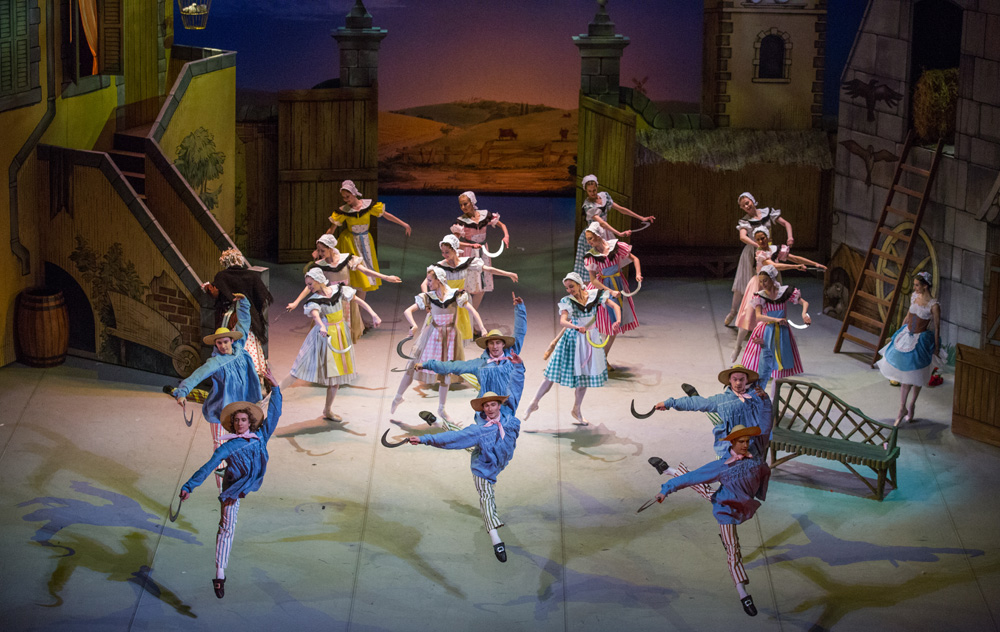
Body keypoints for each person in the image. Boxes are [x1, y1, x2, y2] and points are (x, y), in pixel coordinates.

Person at [405, 353, 525, 563]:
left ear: (499, 404)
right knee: (487, 498)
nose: (490, 408)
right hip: (483, 466)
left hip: (496, 457)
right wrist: (424, 439)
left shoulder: (509, 416)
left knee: (469, 443)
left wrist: (519, 367)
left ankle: (437, 422)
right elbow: (454, 439)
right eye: (486, 406)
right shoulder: (480, 430)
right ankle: (496, 540)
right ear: (483, 409)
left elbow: (516, 386)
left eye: (493, 404)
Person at [179, 366, 282, 599]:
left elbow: (275, 413)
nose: (240, 423)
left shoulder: (260, 436)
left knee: (229, 523)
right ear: (233, 424)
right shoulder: (228, 447)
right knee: (226, 527)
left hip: (252, 479)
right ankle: (219, 574)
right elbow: (207, 466)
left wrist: (275, 387)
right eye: (236, 421)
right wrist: (189, 486)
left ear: (250, 421)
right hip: (234, 486)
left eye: (243, 420)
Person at [649, 424, 772, 617]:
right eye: (741, 441)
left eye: (747, 441)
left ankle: (669, 470)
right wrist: (666, 490)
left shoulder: (754, 460)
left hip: (742, 505)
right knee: (733, 549)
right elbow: (693, 477)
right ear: (732, 442)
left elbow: (765, 470)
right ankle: (743, 593)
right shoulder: (721, 467)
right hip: (725, 510)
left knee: (706, 492)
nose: (745, 445)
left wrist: (760, 492)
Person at [523, 272, 620, 426]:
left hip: (590, 339)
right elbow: (562, 321)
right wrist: (575, 327)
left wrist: (617, 321)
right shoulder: (567, 301)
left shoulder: (594, 295)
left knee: (584, 378)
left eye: (571, 286)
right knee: (551, 373)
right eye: (567, 288)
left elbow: (615, 305)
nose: (569, 290)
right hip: (572, 339)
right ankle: (534, 402)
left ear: (579, 284)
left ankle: (577, 409)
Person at [173, 294, 262, 460]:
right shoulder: (215, 363)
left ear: (231, 340)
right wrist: (183, 392)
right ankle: (220, 475)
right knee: (219, 444)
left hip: (242, 404)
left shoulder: (239, 349)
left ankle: (237, 471)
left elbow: (244, 323)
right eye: (219, 343)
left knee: (241, 442)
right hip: (222, 408)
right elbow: (197, 375)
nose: (223, 346)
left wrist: (243, 303)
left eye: (225, 342)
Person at [392, 265, 486, 422]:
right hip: (432, 335)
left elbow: (472, 311)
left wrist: (482, 328)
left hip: (450, 337)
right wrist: (414, 325)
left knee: (445, 372)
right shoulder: (429, 297)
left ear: (439, 280)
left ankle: (441, 408)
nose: (427, 284)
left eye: (430, 280)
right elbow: (408, 311)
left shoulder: (455, 295)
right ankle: (398, 397)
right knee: (413, 365)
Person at [289, 268, 382, 421]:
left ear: (319, 280)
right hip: (324, 335)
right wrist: (322, 326)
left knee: (336, 376)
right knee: (299, 367)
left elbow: (357, 300)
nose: (309, 287)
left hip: (340, 334)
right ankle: (276, 392)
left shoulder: (338, 290)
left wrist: (374, 314)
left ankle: (327, 410)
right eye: (307, 285)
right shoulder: (315, 300)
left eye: (310, 284)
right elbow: (315, 315)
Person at [731, 226, 825, 363]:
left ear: (768, 238)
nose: (761, 241)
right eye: (758, 240)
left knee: (772, 319)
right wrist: (795, 267)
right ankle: (738, 346)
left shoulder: (776, 249)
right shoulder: (760, 253)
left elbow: (795, 258)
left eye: (763, 238)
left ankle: (770, 355)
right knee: (748, 314)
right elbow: (773, 266)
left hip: (772, 285)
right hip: (759, 284)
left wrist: (815, 264)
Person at [287, 234, 401, 342]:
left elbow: (365, 271)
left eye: (323, 250)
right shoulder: (320, 265)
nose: (320, 253)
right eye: (319, 250)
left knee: (345, 332)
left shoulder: (345, 259)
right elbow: (310, 286)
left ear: (331, 248)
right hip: (330, 301)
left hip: (346, 299)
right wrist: (296, 302)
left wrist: (386, 277)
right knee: (329, 332)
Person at [417, 293, 526, 405]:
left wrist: (520, 308)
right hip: (487, 405)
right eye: (491, 343)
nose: (495, 346)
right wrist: (427, 364)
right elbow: (452, 365)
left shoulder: (511, 355)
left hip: (508, 403)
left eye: (498, 343)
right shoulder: (479, 364)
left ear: (503, 344)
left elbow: (520, 332)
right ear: (487, 345)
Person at [327, 179, 410, 317]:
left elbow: (387, 215)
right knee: (354, 277)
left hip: (365, 243)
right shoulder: (344, 211)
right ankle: (351, 316)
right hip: (350, 243)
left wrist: (404, 224)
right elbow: (332, 229)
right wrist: (321, 245)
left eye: (348, 196)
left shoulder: (368, 206)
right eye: (344, 197)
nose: (346, 199)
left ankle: (358, 317)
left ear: (354, 193)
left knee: (365, 279)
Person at [653, 365, 773, 460]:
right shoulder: (721, 400)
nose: (738, 383)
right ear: (729, 381)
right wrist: (669, 403)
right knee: (712, 414)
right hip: (729, 445)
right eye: (735, 379)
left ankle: (695, 395)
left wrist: (764, 347)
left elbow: (766, 368)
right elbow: (697, 403)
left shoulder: (755, 393)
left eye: (741, 379)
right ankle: (694, 395)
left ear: (747, 380)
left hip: (753, 442)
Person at [876, 271, 942, 425]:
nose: (914, 288)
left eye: (917, 285)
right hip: (907, 336)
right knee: (905, 376)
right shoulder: (914, 296)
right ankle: (902, 408)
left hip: (921, 340)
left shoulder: (933, 305)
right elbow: (907, 316)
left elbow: (937, 327)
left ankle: (912, 404)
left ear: (925, 286)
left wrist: (936, 347)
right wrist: (899, 332)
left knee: (917, 375)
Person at [425, 235, 519, 339]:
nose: (444, 255)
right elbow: (424, 283)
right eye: (442, 252)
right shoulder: (440, 267)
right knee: (443, 335)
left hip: (460, 300)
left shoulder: (466, 262)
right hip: (446, 302)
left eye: (447, 252)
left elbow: (489, 269)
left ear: (455, 250)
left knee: (458, 335)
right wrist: (427, 301)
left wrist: (508, 274)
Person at [724, 192, 795, 328]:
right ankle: (733, 311)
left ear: (752, 201)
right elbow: (743, 236)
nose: (746, 206)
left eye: (747, 203)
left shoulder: (767, 212)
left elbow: (786, 223)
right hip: (752, 253)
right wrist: (757, 245)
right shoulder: (745, 221)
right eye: (743, 206)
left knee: (770, 284)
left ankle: (770, 317)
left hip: (768, 252)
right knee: (744, 283)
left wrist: (790, 237)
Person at [202, 247, 273, 377]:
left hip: (231, 318)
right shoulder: (251, 276)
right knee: (249, 342)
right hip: (248, 316)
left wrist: (207, 288)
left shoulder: (222, 276)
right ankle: (254, 373)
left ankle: (234, 374)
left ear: (225, 262)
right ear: (240, 260)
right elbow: (262, 297)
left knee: (231, 343)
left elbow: (216, 294)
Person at [740, 265, 810, 387]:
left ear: (772, 279)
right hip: (766, 330)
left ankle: (774, 391)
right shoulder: (760, 296)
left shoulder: (784, 292)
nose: (763, 284)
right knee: (761, 362)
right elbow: (759, 316)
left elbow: (804, 302)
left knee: (779, 365)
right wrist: (776, 319)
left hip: (782, 331)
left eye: (765, 280)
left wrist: (804, 314)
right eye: (761, 281)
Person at [573, 174, 654, 277]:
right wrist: (619, 233)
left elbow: (621, 209)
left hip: (605, 232)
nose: (592, 193)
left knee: (610, 262)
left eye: (594, 190)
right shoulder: (588, 206)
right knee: (592, 269)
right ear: (586, 190)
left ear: (597, 187)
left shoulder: (604, 196)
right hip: (593, 235)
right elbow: (602, 223)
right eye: (590, 191)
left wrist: (641, 218)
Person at [583, 221, 641, 365]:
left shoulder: (615, 247)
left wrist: (638, 274)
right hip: (602, 287)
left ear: (598, 235)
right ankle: (589, 356)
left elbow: (635, 259)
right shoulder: (591, 256)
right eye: (587, 239)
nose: (589, 242)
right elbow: (593, 280)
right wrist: (610, 291)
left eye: (591, 238)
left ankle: (603, 357)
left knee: (615, 323)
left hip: (618, 285)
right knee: (590, 321)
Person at [450, 191, 511, 312]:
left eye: (465, 204)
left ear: (472, 202)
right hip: (469, 253)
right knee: (466, 286)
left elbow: (502, 225)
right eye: (461, 205)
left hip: (483, 253)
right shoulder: (461, 221)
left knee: (481, 287)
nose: (463, 207)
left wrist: (506, 236)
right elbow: (454, 242)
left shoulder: (484, 215)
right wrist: (471, 245)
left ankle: (471, 314)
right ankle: (462, 315)